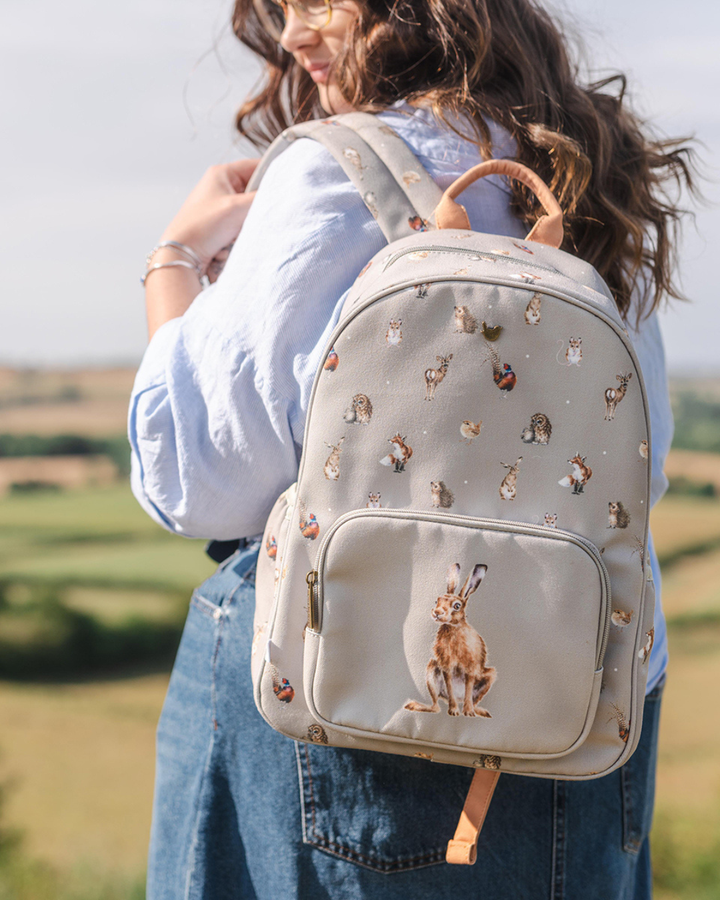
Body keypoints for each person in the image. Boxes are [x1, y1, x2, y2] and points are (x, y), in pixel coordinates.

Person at [128, 0, 695, 896]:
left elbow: (194, 481)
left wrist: (173, 268)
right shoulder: (586, 172)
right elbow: (641, 465)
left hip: (349, 723)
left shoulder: (330, 174)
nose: (290, 35)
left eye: (313, 2)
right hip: (582, 708)